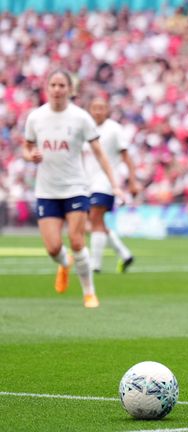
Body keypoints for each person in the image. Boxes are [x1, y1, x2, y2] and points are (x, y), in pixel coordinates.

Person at [22, 70, 123, 308]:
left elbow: (100, 153)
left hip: (75, 188)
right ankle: (64, 262)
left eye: (62, 85)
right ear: (47, 88)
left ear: (70, 89)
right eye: (53, 85)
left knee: (77, 241)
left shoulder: (80, 118)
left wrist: (115, 184)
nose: (57, 89)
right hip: (46, 190)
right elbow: (26, 148)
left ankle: (89, 292)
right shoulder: (36, 118)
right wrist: (30, 156)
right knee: (52, 247)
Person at [84, 96, 140, 274]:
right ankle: (124, 254)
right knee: (93, 223)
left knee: (96, 219)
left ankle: (95, 265)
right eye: (95, 107)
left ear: (107, 110)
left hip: (106, 181)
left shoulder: (114, 129)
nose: (98, 111)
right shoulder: (85, 128)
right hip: (87, 182)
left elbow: (127, 157)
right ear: (90, 110)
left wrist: (132, 180)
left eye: (101, 108)